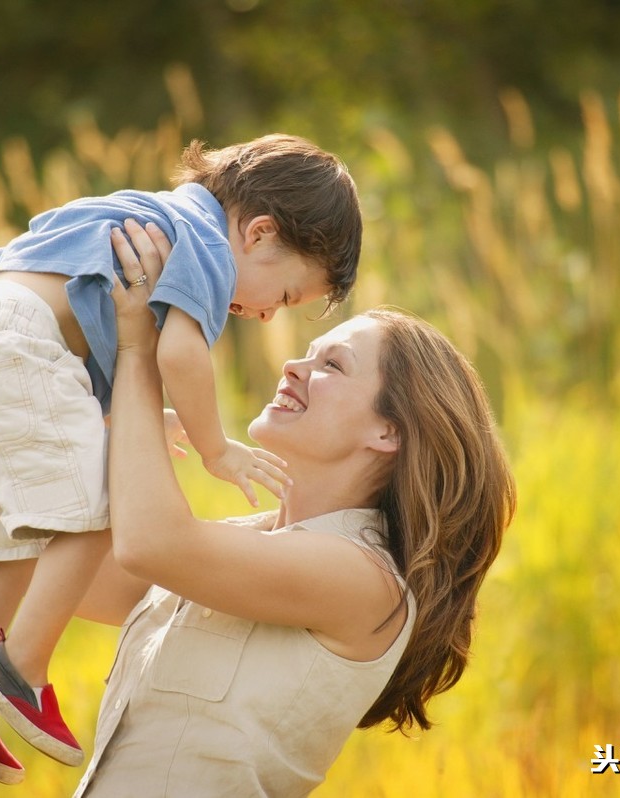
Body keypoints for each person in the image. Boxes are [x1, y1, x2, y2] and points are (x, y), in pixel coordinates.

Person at [0, 134, 364, 784]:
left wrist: (131, 413)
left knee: (15, 545)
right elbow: (178, 355)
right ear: (258, 233)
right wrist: (215, 448)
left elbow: (69, 305)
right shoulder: (204, 247)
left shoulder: (142, 211)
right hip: (14, 347)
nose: (265, 315)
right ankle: (20, 667)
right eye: (284, 296)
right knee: (106, 500)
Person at [67, 222, 516, 796]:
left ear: (388, 431)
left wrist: (136, 352)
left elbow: (151, 544)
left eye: (332, 366)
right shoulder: (239, 544)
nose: (293, 369)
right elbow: (52, 570)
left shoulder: (365, 579)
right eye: (306, 355)